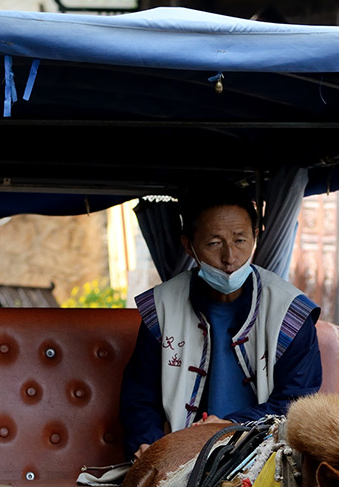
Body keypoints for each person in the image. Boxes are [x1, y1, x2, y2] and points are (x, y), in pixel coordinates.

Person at [120, 188, 323, 460]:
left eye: (240, 240)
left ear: (255, 236)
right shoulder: (162, 307)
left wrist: (230, 427)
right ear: (188, 245)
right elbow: (140, 396)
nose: (230, 257)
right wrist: (149, 444)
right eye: (214, 243)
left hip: (266, 453)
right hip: (182, 455)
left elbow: (296, 404)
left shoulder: (290, 313)